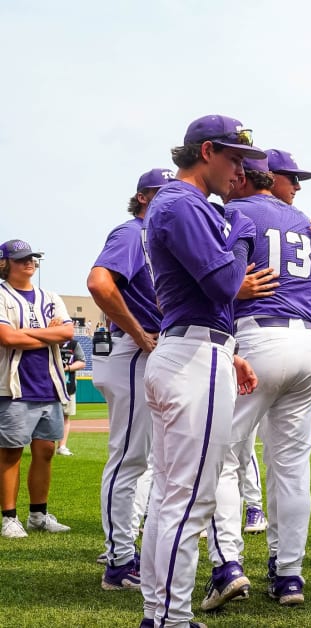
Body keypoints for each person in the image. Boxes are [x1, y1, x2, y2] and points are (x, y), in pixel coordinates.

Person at [138, 114, 264, 628]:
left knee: (173, 496)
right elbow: (224, 283)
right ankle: (168, 617)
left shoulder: (179, 203)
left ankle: (160, 612)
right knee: (190, 499)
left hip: (194, 348)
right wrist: (237, 231)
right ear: (206, 150)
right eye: (234, 158)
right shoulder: (183, 202)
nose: (240, 171)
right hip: (191, 359)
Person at [202, 150, 311, 611]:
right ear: (274, 179)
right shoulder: (308, 225)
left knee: (222, 456)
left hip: (256, 338)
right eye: (292, 178)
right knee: (291, 466)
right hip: (307, 345)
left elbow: (223, 278)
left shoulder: (236, 212)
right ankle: (288, 575)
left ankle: (228, 566)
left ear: (245, 178)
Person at [88, 167, 171, 588]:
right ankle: (119, 561)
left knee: (149, 460)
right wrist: (138, 334)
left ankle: (124, 551)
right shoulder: (132, 233)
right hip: (136, 351)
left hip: (154, 350)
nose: (168, 199)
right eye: (160, 193)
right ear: (142, 198)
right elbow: (99, 284)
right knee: (129, 458)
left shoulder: (158, 237)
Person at [0, 239, 76, 539]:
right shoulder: (2, 295)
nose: (28, 263)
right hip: (15, 387)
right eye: (20, 259)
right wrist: (49, 335)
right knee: (11, 453)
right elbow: (7, 338)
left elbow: (68, 332)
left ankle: (38, 515)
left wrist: (27, 333)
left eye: (31, 258)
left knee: (45, 451)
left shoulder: (50, 296)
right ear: (5, 264)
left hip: (49, 384)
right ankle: (9, 517)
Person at [56, 336, 86, 456]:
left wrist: (67, 368)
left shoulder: (74, 344)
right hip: (48, 386)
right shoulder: (50, 342)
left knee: (66, 416)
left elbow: (82, 362)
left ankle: (62, 446)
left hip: (68, 386)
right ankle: (44, 446)